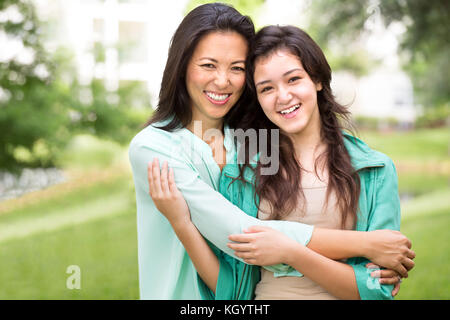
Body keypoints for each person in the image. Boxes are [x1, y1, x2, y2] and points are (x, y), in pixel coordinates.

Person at [130, 3, 414, 300]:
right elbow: (240, 246)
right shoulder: (231, 164)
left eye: (237, 68)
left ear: (317, 79)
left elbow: (377, 289)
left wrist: (295, 251)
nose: (223, 80)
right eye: (208, 65)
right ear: (182, 65)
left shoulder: (246, 148)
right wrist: (367, 244)